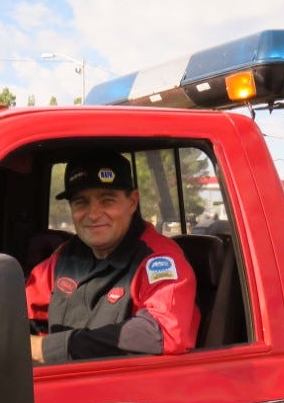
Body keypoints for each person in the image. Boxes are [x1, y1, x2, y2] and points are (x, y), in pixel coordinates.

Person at [26, 150, 199, 364]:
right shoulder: (65, 256)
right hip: (63, 387)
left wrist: (50, 348)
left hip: (127, 393)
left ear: (132, 202)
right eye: (81, 202)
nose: (93, 214)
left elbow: (163, 333)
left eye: (107, 200)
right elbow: (23, 307)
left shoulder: (158, 259)